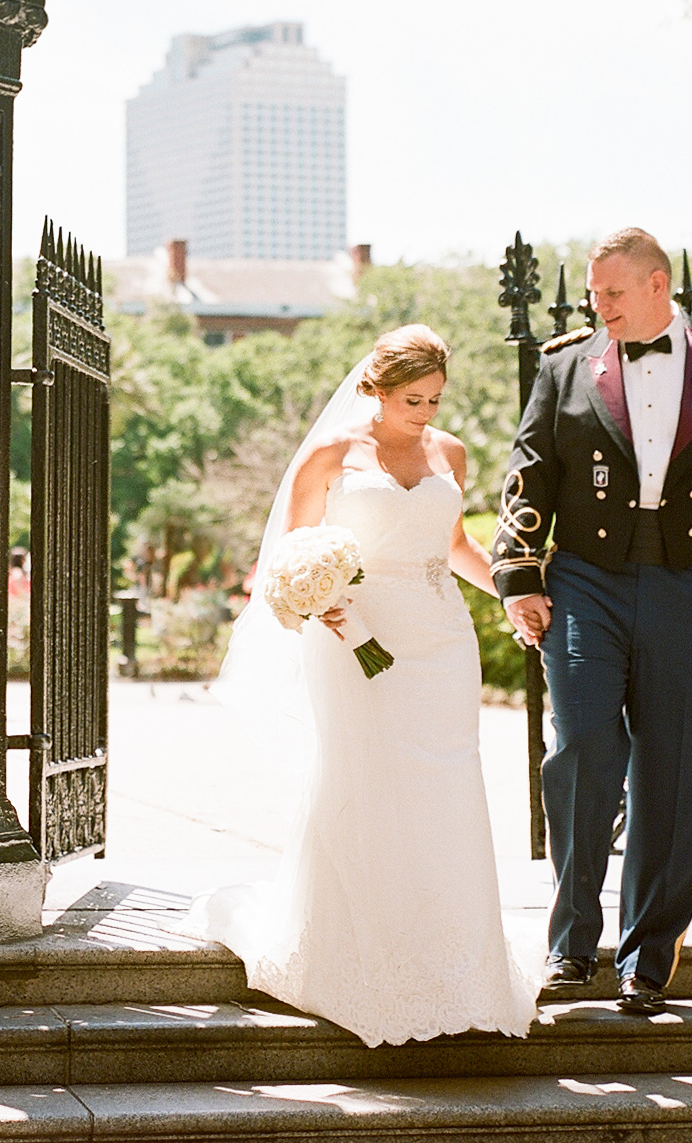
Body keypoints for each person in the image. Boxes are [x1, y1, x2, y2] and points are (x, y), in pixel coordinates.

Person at [195, 324, 537, 1047]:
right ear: (373, 390)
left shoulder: (451, 454)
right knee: (365, 779)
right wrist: (319, 599)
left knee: (447, 787)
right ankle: (357, 960)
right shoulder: (332, 453)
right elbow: (292, 550)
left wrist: (510, 592)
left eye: (437, 398)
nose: (427, 412)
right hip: (352, 636)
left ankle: (453, 961)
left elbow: (453, 544)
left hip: (441, 640)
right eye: (414, 398)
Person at [491, 227, 692, 1017]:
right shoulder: (565, 365)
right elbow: (528, 473)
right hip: (587, 580)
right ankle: (570, 943)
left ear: (658, 284)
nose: (601, 306)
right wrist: (520, 574)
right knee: (583, 743)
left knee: (678, 772)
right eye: (594, 293)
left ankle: (647, 958)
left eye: (613, 292)